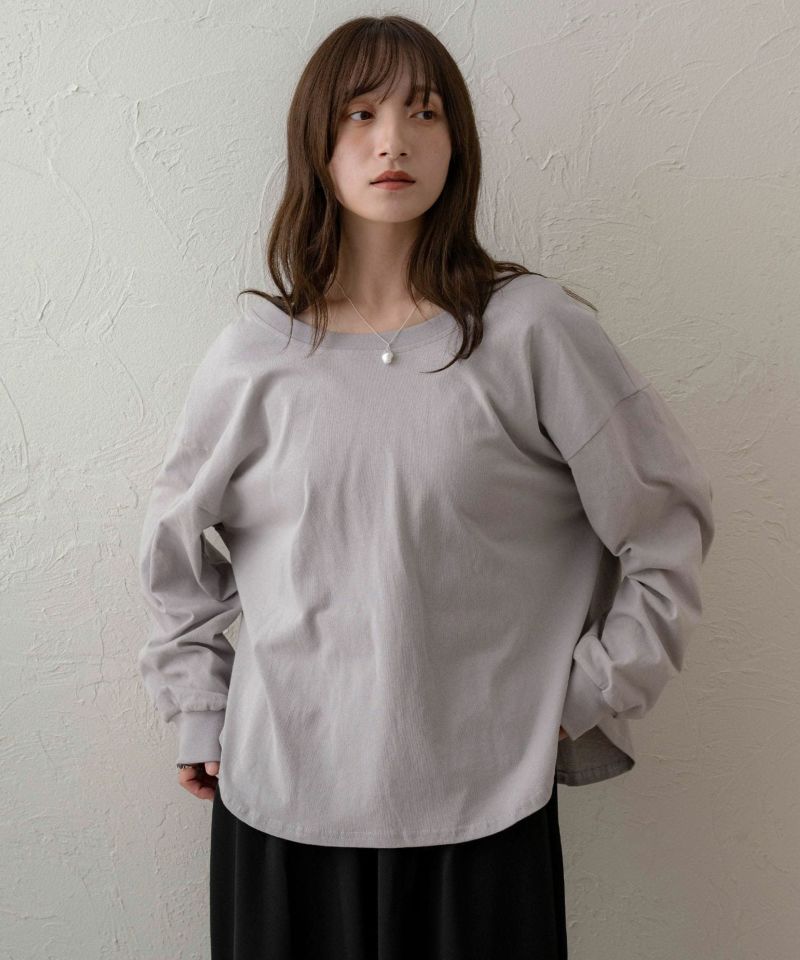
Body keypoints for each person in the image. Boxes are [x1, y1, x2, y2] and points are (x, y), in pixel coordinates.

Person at [136, 14, 715, 960]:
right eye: (360, 113)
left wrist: (581, 699)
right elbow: (172, 551)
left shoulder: (531, 332)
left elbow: (667, 525)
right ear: (317, 142)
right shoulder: (255, 355)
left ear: (458, 141)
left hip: (484, 816)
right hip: (278, 811)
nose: (393, 140)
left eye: (424, 111)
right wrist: (198, 703)